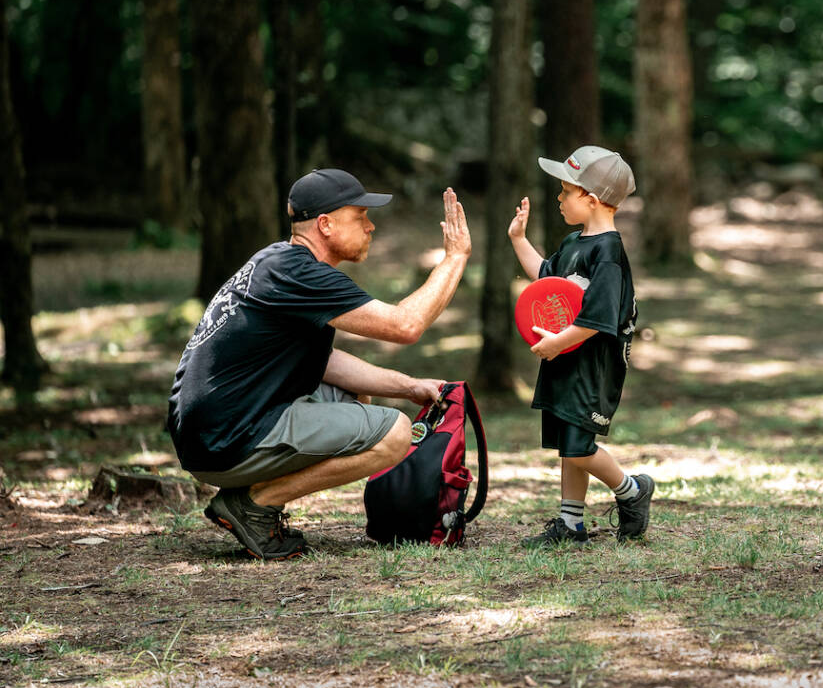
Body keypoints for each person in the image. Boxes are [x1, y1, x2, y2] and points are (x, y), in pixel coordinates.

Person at [167, 169, 471, 559]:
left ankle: (253, 498)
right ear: (325, 224)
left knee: (354, 394)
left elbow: (324, 362)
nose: (370, 226)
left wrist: (409, 386)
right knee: (395, 433)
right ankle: (255, 504)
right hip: (224, 440)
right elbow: (406, 325)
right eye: (360, 217)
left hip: (210, 434)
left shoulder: (278, 263)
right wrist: (455, 259)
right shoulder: (300, 274)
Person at [508, 145, 653, 546]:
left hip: (590, 363)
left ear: (590, 200)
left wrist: (558, 342)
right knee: (569, 446)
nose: (558, 198)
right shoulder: (575, 241)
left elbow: (599, 318)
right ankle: (571, 524)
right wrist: (519, 239)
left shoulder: (608, 251)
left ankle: (632, 490)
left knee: (580, 447)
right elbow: (545, 278)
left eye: (565, 192)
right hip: (565, 357)